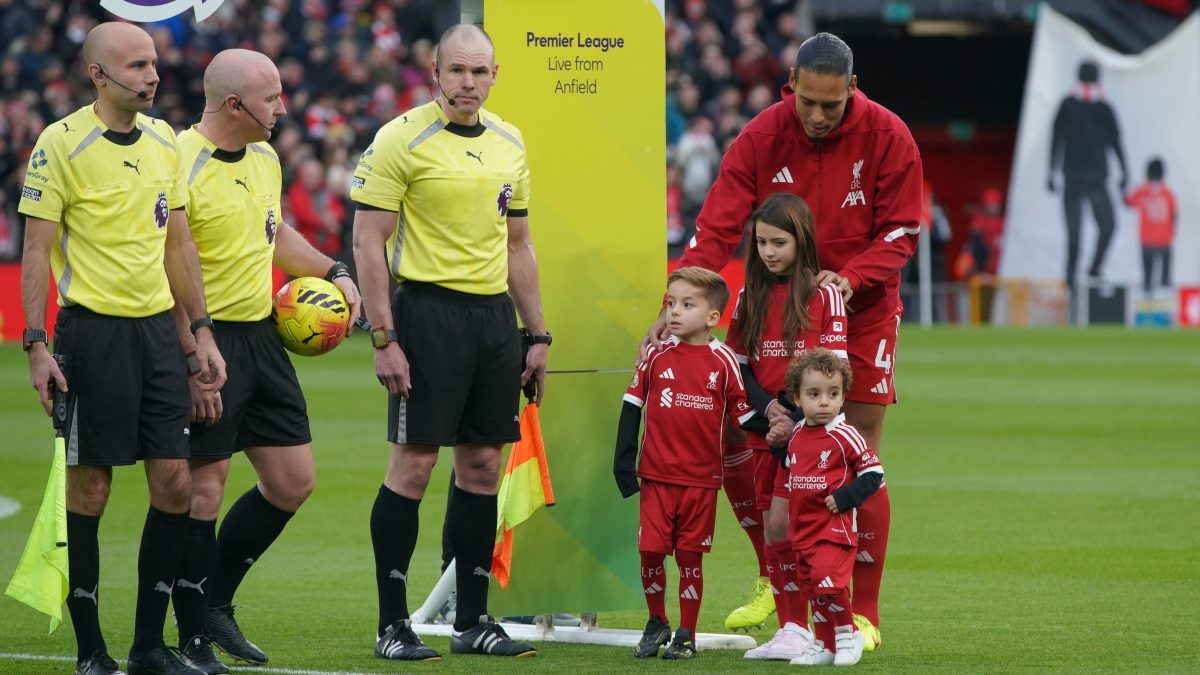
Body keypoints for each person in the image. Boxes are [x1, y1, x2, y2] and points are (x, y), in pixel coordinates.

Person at [643, 32, 920, 649]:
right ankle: (779, 577)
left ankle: (863, 611)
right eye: (808, 104)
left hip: (862, 307)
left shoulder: (889, 135)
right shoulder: (761, 136)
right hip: (774, 308)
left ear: (852, 88)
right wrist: (678, 302)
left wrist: (849, 280)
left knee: (856, 442)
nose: (819, 118)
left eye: (832, 105)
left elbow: (902, 231)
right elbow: (715, 225)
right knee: (747, 432)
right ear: (789, 86)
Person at [18, 22, 226, 675]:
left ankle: (147, 646)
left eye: (155, 63)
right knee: (92, 488)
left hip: (160, 333)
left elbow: (178, 245)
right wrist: (35, 342)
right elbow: (34, 249)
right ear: (98, 75)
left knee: (174, 483)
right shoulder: (60, 144)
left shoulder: (166, 141)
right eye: (137, 65)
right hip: (92, 332)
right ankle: (90, 650)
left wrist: (200, 330)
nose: (153, 75)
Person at [351, 23, 548, 660]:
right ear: (435, 72)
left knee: (484, 467)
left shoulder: (510, 141)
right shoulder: (401, 139)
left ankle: (473, 620)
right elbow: (367, 242)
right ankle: (391, 625)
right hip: (426, 314)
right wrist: (384, 336)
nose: (469, 82)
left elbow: (518, 247)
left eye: (480, 72)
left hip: (492, 321)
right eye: (457, 71)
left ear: (495, 75)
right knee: (414, 465)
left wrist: (537, 333)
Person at [167, 49, 362, 673]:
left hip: (260, 335)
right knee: (205, 488)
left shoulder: (267, 157)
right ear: (233, 104)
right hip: (203, 338)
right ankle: (191, 633)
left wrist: (335, 269)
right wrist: (194, 346)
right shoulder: (177, 161)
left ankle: (217, 604)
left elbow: (274, 234)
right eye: (273, 97)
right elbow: (163, 262)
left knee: (292, 481)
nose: (283, 107)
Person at [613, 266, 758, 660]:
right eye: (671, 303)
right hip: (656, 475)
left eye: (687, 304)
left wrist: (783, 427)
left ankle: (687, 632)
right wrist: (623, 462)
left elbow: (743, 415)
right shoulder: (656, 354)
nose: (674, 312)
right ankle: (656, 620)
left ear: (712, 317)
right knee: (650, 552)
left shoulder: (724, 360)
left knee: (690, 556)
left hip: (701, 480)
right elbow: (632, 405)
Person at [726, 193, 847, 661]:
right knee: (773, 530)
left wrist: (792, 416)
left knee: (801, 531)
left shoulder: (825, 292)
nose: (769, 252)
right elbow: (739, 365)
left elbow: (832, 370)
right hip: (766, 429)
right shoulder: (748, 295)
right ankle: (792, 627)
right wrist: (768, 411)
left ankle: (828, 630)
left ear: (802, 240)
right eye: (761, 242)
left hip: (811, 435)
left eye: (779, 241)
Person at [774, 349, 883, 667]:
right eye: (814, 394)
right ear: (797, 399)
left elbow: (874, 473)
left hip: (834, 528)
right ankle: (824, 643)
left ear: (842, 396)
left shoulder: (844, 434)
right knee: (812, 588)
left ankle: (848, 636)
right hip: (803, 529)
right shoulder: (796, 434)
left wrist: (846, 497)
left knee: (829, 583)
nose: (824, 402)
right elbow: (793, 467)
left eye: (833, 394)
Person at [1047, 60, 1128, 289]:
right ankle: (1071, 282)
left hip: (1096, 178)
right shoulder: (1068, 105)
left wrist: (1124, 172)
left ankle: (1094, 269)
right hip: (1073, 176)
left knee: (1107, 226)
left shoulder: (1103, 108)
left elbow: (1115, 141)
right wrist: (1051, 171)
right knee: (1074, 235)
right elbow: (1057, 139)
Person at [1124, 157, 1176, 295]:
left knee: (1147, 277)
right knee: (1165, 278)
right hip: (1165, 240)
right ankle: (1165, 296)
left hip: (1147, 239)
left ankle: (1147, 296)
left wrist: (1122, 188)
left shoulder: (1142, 191)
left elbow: (1128, 202)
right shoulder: (1167, 192)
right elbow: (1174, 214)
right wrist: (1172, 232)